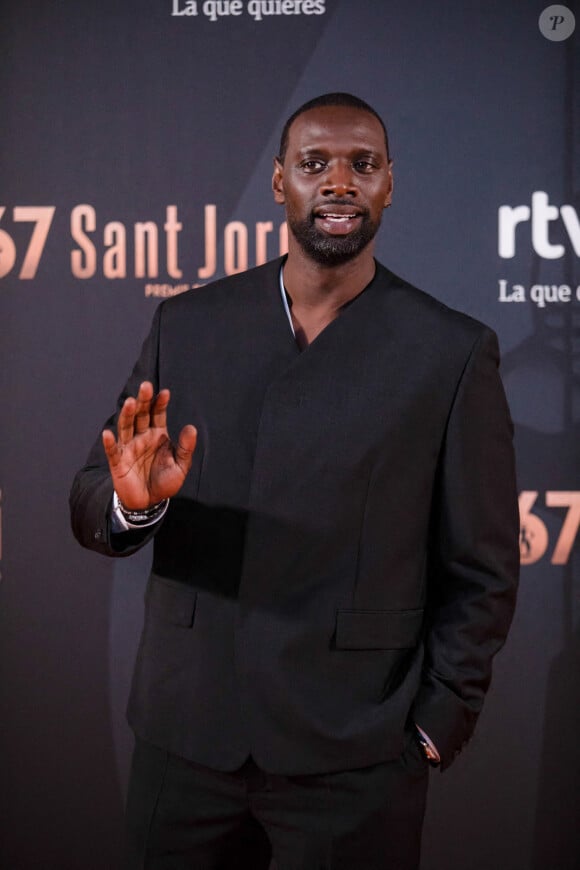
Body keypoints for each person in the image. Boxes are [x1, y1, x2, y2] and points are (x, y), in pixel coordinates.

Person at [70, 92, 519, 870]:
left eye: (362, 165)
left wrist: (434, 729)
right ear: (280, 183)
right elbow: (90, 501)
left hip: (355, 753)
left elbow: (482, 569)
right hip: (188, 739)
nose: (338, 182)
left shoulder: (450, 352)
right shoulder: (189, 325)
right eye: (314, 164)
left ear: (389, 185)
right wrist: (131, 509)